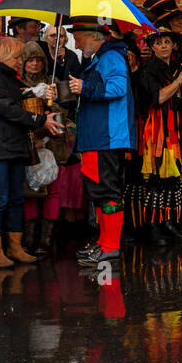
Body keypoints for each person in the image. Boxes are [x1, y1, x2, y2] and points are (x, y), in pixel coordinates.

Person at [0, 36, 63, 267]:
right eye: (16, 58)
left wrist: (38, 93)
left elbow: (16, 99)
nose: (19, 62)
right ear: (2, 56)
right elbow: (9, 110)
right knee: (0, 198)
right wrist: (41, 120)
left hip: (13, 144)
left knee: (16, 198)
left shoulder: (7, 77)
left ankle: (15, 246)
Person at [68, 19, 138, 265]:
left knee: (107, 191)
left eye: (78, 39)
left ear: (94, 37)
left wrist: (84, 86)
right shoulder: (100, 57)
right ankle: (104, 241)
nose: (76, 44)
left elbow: (118, 87)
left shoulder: (110, 56)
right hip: (96, 137)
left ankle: (110, 246)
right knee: (99, 191)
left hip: (106, 137)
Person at [133, 29, 182, 244]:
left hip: (177, 131)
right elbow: (158, 98)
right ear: (151, 47)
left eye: (167, 42)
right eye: (158, 43)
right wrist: (179, 81)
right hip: (157, 132)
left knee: (174, 180)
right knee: (156, 180)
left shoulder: (179, 67)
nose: (163, 46)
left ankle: (171, 220)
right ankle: (153, 225)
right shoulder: (147, 71)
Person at [20, 40, 72, 254]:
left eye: (38, 60)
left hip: (52, 144)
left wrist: (55, 100)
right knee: (30, 190)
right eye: (29, 60)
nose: (34, 64)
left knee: (52, 190)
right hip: (26, 144)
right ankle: (29, 236)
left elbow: (68, 110)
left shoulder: (55, 82)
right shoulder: (16, 84)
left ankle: (47, 238)